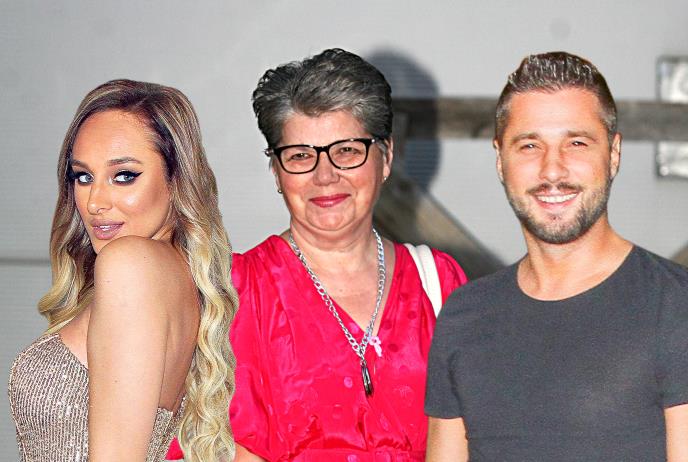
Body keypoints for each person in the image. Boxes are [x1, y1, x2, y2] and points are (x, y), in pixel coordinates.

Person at [167, 48, 468, 461]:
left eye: (346, 150)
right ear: (276, 172)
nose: (324, 176)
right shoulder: (234, 292)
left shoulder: (441, 282)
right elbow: (199, 442)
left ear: (386, 157)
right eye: (300, 156)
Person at [425, 51, 688, 461]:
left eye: (576, 143)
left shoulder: (675, 306)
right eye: (529, 145)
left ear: (613, 154)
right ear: (500, 159)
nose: (552, 170)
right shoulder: (463, 315)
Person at [8, 79, 237, 462]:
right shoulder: (175, 275)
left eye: (124, 175)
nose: (95, 202)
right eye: (83, 176)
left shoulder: (129, 265)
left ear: (176, 180)